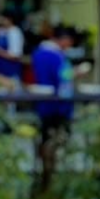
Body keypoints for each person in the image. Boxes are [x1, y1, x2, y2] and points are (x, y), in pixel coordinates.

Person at [31, 21, 75, 184]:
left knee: (45, 137)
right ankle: (50, 174)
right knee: (57, 139)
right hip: (58, 105)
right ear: (63, 39)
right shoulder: (57, 56)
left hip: (43, 104)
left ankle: (44, 173)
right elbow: (64, 79)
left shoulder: (38, 53)